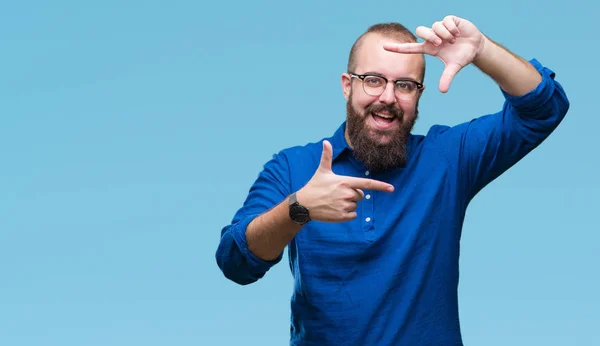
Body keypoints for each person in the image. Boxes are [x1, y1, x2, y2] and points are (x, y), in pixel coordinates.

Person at [215, 15, 570, 345]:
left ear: (419, 95)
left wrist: (482, 50)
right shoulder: (294, 167)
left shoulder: (446, 159)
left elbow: (544, 110)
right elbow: (236, 262)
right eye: (373, 80)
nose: (387, 97)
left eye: (405, 85)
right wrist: (299, 208)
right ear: (346, 85)